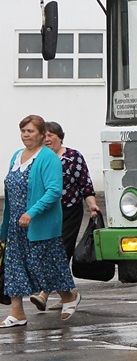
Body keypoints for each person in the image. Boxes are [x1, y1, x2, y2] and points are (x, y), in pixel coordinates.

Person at [1, 115, 80, 326]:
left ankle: (68, 296)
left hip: (39, 224)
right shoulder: (17, 156)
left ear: (42, 134)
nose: (26, 135)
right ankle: (17, 312)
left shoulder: (48, 158)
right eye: (23, 131)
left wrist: (31, 213)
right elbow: (10, 191)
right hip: (16, 226)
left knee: (46, 267)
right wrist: (6, 224)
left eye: (30, 131)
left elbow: (54, 191)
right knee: (14, 267)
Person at [29, 122, 100, 312]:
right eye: (44, 135)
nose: (47, 139)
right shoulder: (38, 157)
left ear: (60, 137)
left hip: (69, 211)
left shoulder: (72, 157)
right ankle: (69, 295)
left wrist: (92, 204)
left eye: (51, 135)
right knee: (47, 251)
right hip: (46, 213)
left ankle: (44, 293)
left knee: (60, 251)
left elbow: (85, 182)